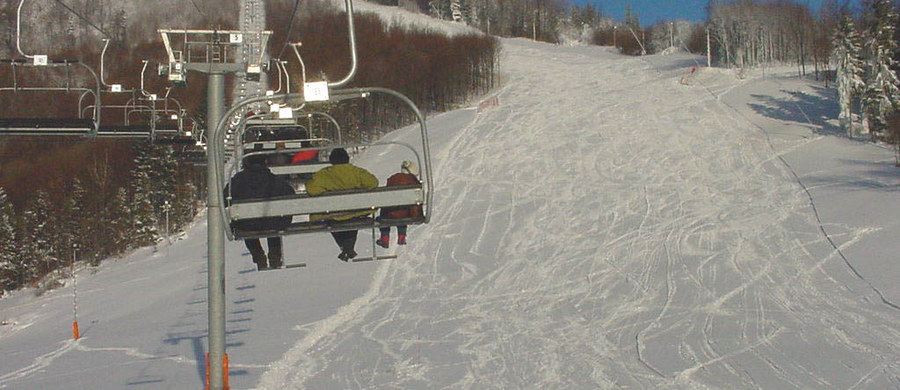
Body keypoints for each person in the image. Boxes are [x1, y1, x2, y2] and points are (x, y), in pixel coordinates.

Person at [305, 148, 378, 261]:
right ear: (347, 159)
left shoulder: (324, 174)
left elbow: (312, 189)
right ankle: (347, 249)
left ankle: (346, 249)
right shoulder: (356, 172)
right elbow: (373, 183)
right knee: (352, 220)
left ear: (331, 160)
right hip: (355, 212)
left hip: (332, 213)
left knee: (335, 222)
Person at [225, 154, 295, 270]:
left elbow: (224, 197)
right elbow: (290, 195)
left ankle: (258, 257)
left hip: (246, 225)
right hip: (273, 223)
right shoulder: (274, 179)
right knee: (273, 221)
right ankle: (275, 256)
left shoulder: (237, 180)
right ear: (265, 162)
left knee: (245, 222)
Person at [376, 160, 422, 248]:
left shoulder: (393, 178)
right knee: (402, 215)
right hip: (405, 213)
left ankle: (384, 238)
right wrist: (416, 215)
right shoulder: (412, 180)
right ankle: (402, 237)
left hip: (389, 213)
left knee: (386, 214)